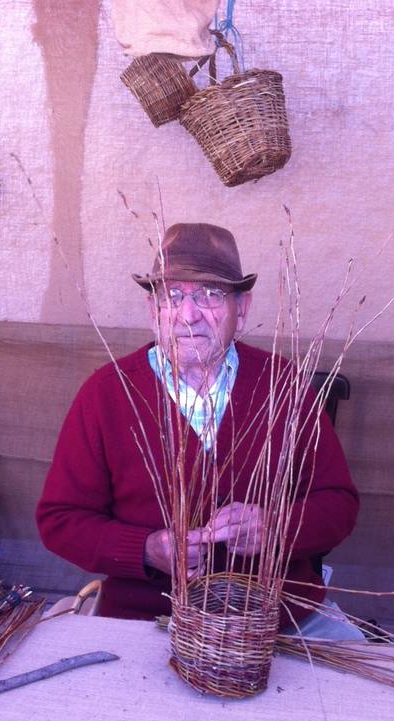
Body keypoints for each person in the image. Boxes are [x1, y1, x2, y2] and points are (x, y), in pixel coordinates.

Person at [36, 222, 362, 638]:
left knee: (361, 695)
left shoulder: (284, 385)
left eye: (210, 294)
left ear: (240, 309)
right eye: (172, 295)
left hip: (281, 617)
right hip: (145, 620)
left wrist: (276, 528)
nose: (189, 315)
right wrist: (146, 550)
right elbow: (60, 520)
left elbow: (339, 505)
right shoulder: (106, 393)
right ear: (153, 311)